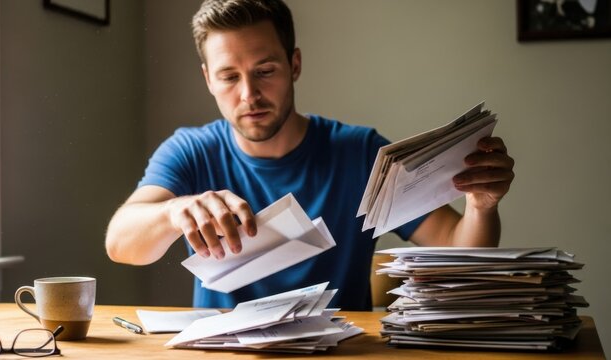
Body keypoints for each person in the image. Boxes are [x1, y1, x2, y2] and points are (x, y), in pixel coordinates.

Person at [105, 0, 515, 310]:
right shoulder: (191, 150)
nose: (249, 95)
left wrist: (481, 206)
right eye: (229, 77)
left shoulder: (359, 152)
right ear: (208, 79)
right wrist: (174, 211)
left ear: (294, 64)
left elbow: (457, 250)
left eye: (265, 71)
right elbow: (120, 243)